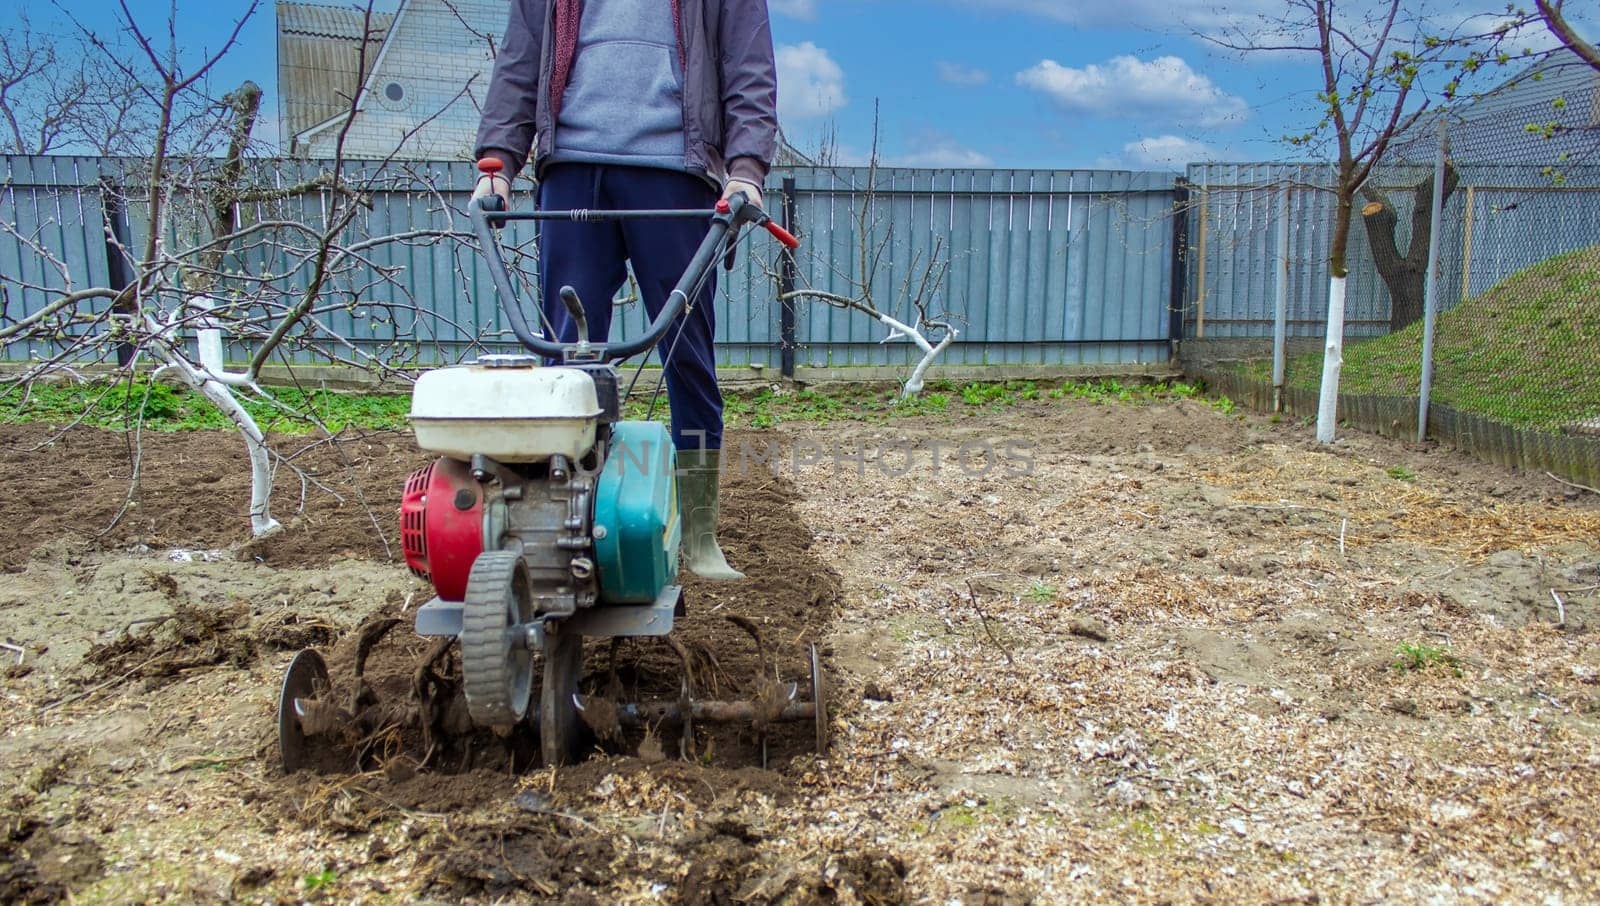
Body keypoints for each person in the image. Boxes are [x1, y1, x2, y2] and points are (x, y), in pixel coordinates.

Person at [472, 0, 777, 581]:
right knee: (567, 358)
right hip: (572, 168)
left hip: (676, 173)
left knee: (687, 355)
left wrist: (745, 168)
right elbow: (519, 59)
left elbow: (749, 68)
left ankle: (701, 535)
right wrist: (499, 162)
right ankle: (562, 525)